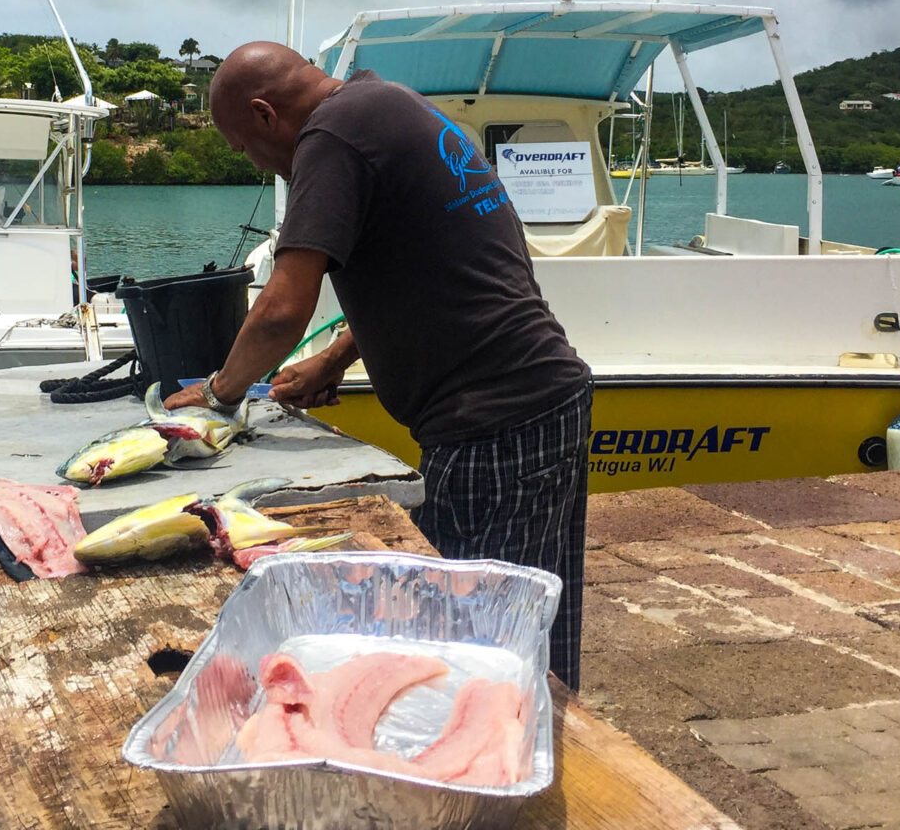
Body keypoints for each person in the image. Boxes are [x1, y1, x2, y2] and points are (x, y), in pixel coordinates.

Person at [163, 41, 593, 689]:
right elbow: (434, 266)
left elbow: (282, 308)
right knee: (533, 624)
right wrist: (334, 360)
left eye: (245, 149)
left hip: (492, 425)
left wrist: (219, 395)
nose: (259, 164)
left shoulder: (331, 137)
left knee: (477, 651)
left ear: (263, 115)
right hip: (544, 400)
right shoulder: (386, 106)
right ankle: (550, 759)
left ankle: (493, 780)